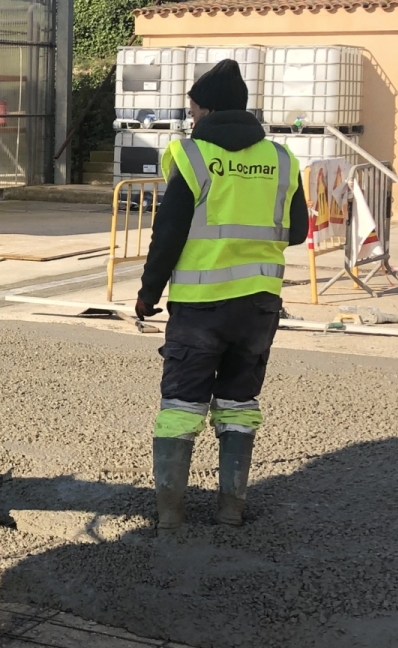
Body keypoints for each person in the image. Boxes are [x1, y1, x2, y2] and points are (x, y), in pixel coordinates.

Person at [135, 60, 309, 529]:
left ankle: (170, 514)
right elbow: (296, 231)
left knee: (181, 406)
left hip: (200, 306)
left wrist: (148, 293)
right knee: (238, 403)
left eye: (192, 111)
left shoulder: (191, 156)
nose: (190, 119)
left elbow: (167, 233)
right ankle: (231, 509)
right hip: (259, 306)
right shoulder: (281, 159)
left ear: (206, 109)